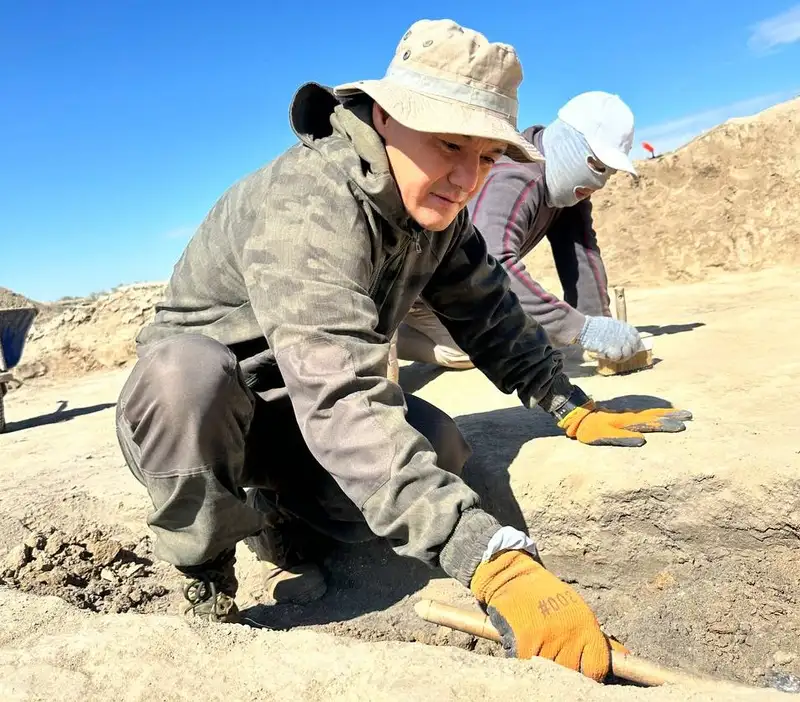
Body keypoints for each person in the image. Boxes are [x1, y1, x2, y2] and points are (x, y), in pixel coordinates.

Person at [115, 19, 691, 682]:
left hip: (300, 421)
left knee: (439, 445)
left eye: (484, 158)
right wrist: (491, 558)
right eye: (450, 145)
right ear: (385, 117)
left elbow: (490, 315)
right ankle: (207, 571)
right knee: (185, 375)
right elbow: (341, 397)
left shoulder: (433, 213)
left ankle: (284, 521)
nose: (466, 177)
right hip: (204, 421)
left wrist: (567, 403)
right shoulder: (310, 204)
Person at [397, 91, 644, 370]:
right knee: (485, 347)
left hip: (459, 286)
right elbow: (490, 263)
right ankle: (384, 332)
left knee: (505, 335)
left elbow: (581, 253)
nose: (600, 183)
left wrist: (599, 324)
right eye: (597, 166)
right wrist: (579, 328)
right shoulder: (515, 178)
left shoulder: (565, 190)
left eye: (609, 172)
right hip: (418, 287)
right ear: (567, 143)